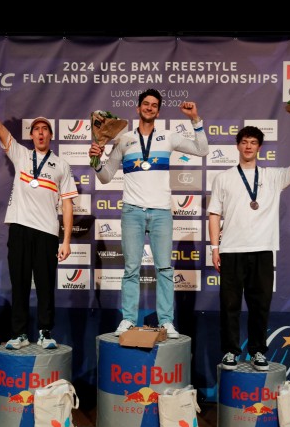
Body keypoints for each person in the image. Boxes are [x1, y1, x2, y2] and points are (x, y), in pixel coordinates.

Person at [0, 81, 77, 350]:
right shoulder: (21, 155)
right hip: (19, 228)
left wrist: (66, 240)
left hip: (48, 232)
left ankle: (46, 332)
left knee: (46, 285)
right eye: (36, 130)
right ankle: (19, 333)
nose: (40, 133)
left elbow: (68, 204)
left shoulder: (61, 165)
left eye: (44, 130)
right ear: (32, 135)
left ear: (50, 136)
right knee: (20, 283)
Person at [89, 88, 208, 338]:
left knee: (164, 268)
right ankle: (128, 319)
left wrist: (195, 120)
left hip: (161, 211)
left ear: (158, 110)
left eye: (154, 105)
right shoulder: (123, 140)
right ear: (138, 108)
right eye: (146, 104)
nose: (150, 107)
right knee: (131, 268)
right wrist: (96, 161)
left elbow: (202, 150)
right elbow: (106, 176)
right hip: (132, 211)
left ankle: (166, 321)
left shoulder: (168, 137)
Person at [208, 125, 290, 371]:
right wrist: (214, 248)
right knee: (229, 305)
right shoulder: (223, 177)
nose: (248, 146)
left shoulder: (273, 176)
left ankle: (257, 352)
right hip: (231, 250)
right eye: (244, 141)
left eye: (253, 142)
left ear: (260, 147)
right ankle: (230, 351)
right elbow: (214, 214)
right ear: (238, 146)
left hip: (263, 249)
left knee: (260, 305)